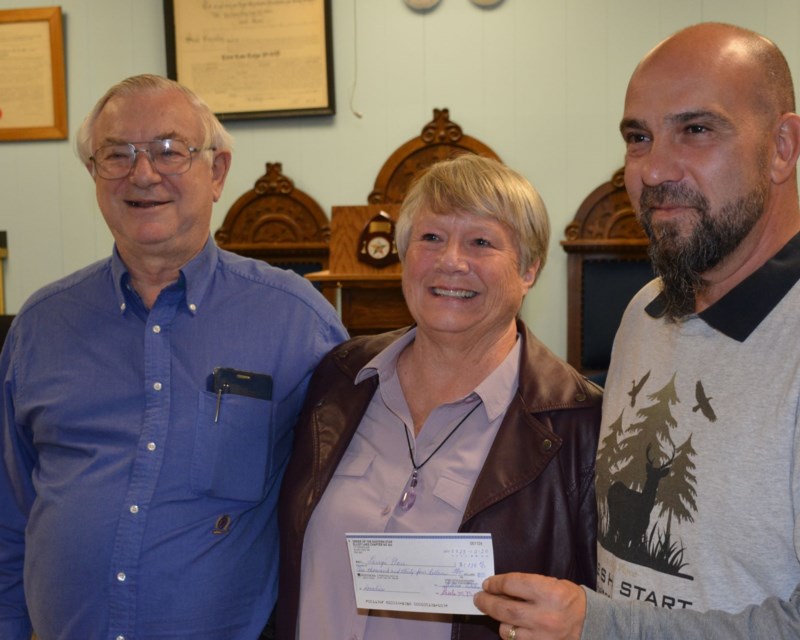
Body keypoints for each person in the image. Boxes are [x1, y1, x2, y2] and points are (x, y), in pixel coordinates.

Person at [474, 22, 800, 640]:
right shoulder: (645, 313)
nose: (654, 170)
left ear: (783, 146)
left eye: (696, 130)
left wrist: (599, 627)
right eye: (638, 137)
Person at [0, 74, 348, 639]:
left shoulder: (296, 321)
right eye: (117, 154)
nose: (143, 173)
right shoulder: (41, 326)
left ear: (217, 172)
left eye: (169, 151)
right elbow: (7, 516)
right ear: (94, 174)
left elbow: (359, 491)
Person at [275, 153, 602, 640]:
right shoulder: (338, 380)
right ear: (405, 254)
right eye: (431, 238)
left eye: (481, 242)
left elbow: (599, 604)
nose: (451, 261)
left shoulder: (579, 424)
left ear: (529, 269)